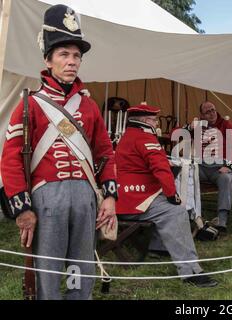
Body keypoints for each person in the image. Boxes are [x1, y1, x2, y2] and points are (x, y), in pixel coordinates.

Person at [1, 5, 117, 300]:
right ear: (48, 60)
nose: (72, 62)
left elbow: (104, 153)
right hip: (47, 199)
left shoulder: (89, 105)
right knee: (49, 272)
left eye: (76, 55)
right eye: (64, 54)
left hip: (85, 198)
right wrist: (23, 208)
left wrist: (111, 197)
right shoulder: (30, 105)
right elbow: (11, 158)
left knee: (82, 268)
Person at [115, 103, 218, 288]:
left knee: (166, 207)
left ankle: (159, 246)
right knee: (176, 211)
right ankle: (191, 271)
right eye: (154, 119)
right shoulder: (145, 137)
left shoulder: (128, 136)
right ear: (146, 121)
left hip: (126, 197)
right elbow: (161, 168)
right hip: (137, 200)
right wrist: (173, 195)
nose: (156, 123)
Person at [180, 101, 232, 232]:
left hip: (219, 167)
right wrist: (189, 127)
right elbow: (177, 133)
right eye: (207, 112)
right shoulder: (199, 125)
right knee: (185, 174)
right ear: (201, 115)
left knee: (226, 178)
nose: (212, 113)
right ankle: (188, 213)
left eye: (213, 110)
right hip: (201, 166)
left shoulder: (226, 125)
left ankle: (222, 218)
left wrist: (229, 166)